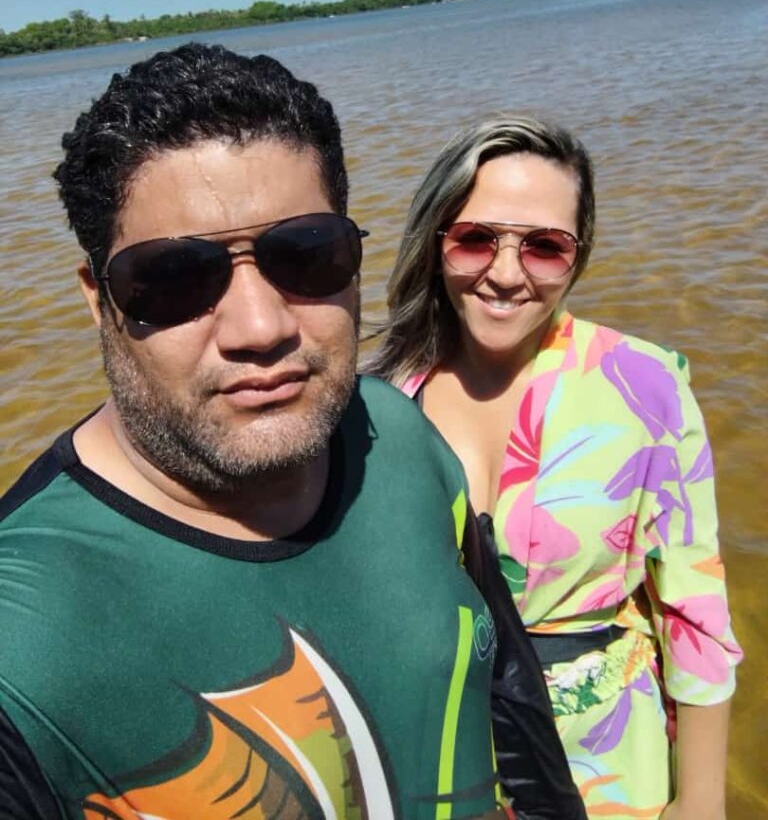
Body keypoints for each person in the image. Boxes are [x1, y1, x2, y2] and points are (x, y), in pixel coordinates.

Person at [0, 47, 575, 820]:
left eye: (305, 255)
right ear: (99, 299)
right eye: (173, 277)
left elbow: (510, 700)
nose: (260, 327)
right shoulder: (22, 638)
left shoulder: (399, 435)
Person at [368, 115, 743, 820]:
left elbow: (694, 608)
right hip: (442, 752)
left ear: (579, 255)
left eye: (544, 247)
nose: (506, 274)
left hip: (605, 758)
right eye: (476, 238)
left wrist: (700, 800)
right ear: (436, 241)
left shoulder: (644, 387)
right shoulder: (380, 404)